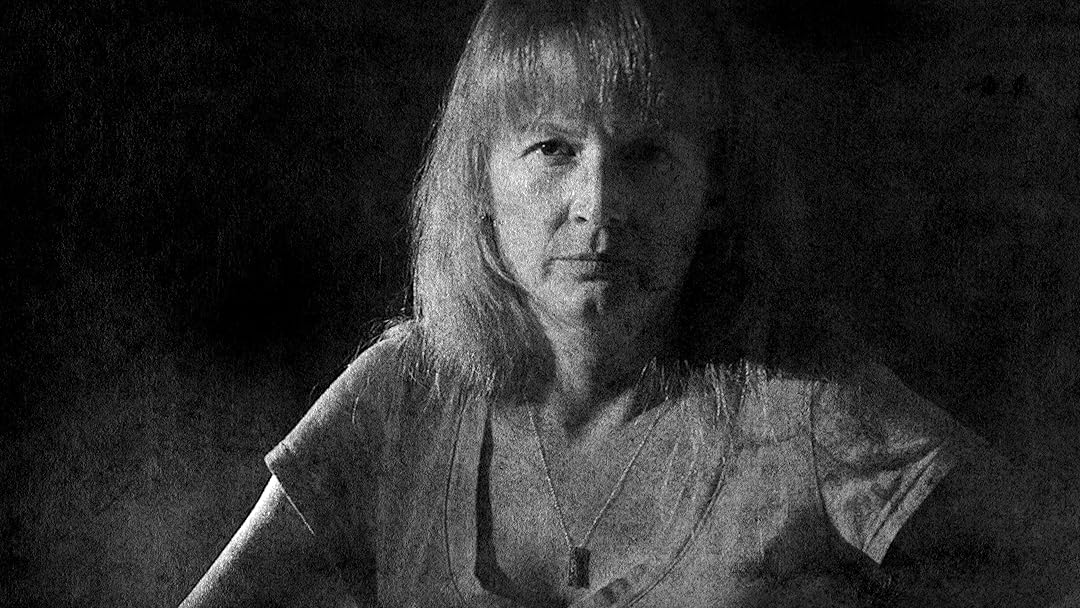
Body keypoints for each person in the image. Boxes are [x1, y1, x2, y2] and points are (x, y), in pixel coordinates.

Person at [180, 0, 1077, 606]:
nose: (599, 207)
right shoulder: (402, 396)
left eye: (646, 154)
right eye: (553, 149)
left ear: (712, 188)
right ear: (481, 179)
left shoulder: (806, 411)